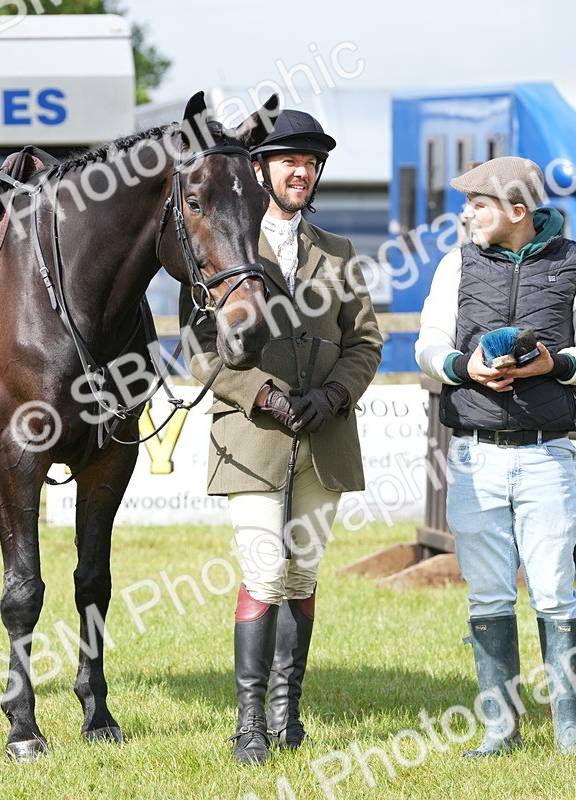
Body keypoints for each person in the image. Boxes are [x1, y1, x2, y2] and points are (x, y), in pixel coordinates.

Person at [182, 110, 383, 765]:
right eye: (289, 160)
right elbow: (198, 347)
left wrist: (334, 393)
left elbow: (367, 342)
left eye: (311, 162)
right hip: (252, 437)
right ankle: (248, 726)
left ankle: (286, 716)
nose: (302, 171)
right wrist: (260, 393)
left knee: (301, 575)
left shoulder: (341, 254)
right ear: (260, 170)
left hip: (323, 439)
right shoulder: (220, 244)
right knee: (265, 569)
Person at [414, 156, 576, 759]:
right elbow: (428, 345)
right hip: (475, 456)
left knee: (556, 592)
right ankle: (500, 730)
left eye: (478, 203)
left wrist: (553, 364)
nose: (467, 214)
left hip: (547, 455)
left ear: (517, 212)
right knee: (487, 597)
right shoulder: (456, 265)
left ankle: (569, 730)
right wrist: (463, 367)